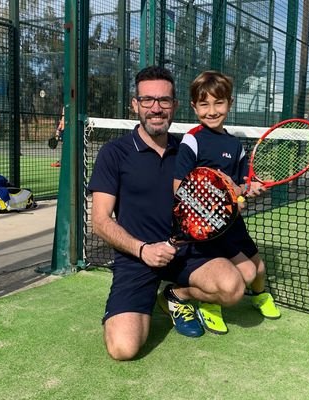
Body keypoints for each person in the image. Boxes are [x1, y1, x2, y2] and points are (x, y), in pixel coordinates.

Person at [88, 66, 246, 361]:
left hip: (187, 253)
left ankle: (176, 296)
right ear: (135, 104)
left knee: (233, 288)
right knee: (123, 349)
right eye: (148, 100)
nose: (156, 108)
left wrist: (236, 198)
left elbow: (219, 195)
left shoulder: (190, 149)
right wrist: (143, 249)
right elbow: (99, 221)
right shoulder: (114, 153)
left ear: (174, 106)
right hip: (137, 258)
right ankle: (142, 299)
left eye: (164, 101)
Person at [173, 70, 281, 335]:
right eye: (204, 104)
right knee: (243, 273)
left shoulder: (235, 145)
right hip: (208, 228)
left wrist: (252, 188)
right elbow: (178, 188)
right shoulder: (192, 140)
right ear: (194, 106)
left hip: (234, 224)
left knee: (259, 270)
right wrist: (224, 198)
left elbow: (241, 185)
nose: (211, 111)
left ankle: (258, 297)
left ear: (230, 103)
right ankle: (209, 306)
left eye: (218, 103)